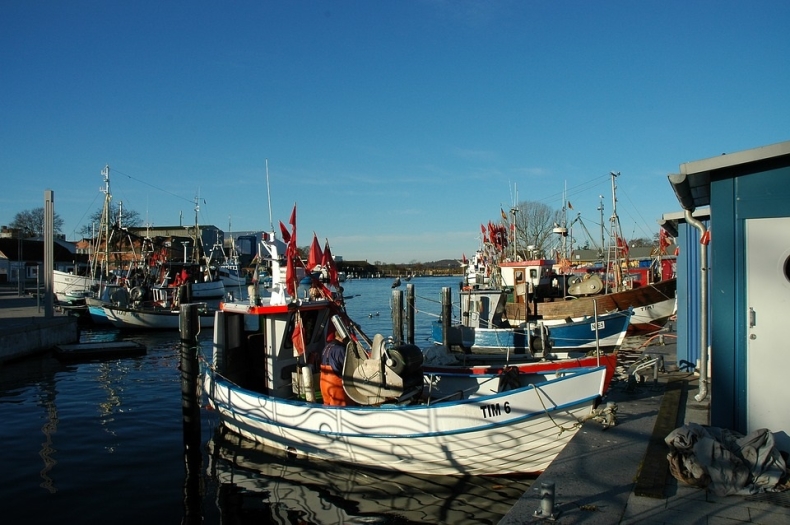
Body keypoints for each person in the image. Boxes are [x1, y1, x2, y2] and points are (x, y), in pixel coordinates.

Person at [320, 329, 354, 406]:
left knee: (328, 409)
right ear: (343, 337)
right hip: (336, 387)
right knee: (342, 411)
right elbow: (348, 368)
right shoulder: (341, 349)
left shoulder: (326, 347)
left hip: (324, 384)